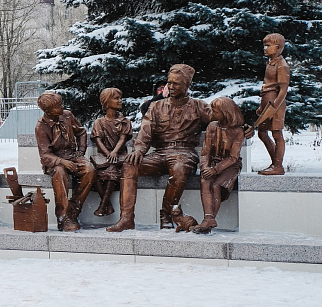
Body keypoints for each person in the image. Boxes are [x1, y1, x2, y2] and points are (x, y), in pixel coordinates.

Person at [107, 64, 212, 232]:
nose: (171, 86)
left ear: (187, 85)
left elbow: (222, 121)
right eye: (169, 82)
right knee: (129, 165)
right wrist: (138, 150)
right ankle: (126, 218)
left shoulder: (199, 106)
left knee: (179, 168)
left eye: (176, 83)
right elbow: (145, 131)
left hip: (185, 153)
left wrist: (242, 127)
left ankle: (167, 213)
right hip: (160, 153)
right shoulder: (156, 106)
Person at [35, 92, 96, 231]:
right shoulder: (41, 127)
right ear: (48, 111)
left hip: (73, 155)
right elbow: (45, 155)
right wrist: (62, 161)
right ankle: (62, 216)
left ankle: (73, 210)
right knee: (60, 173)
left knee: (89, 170)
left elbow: (81, 132)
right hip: (55, 161)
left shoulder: (67, 115)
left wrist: (81, 150)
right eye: (58, 106)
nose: (62, 107)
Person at [192, 97, 246, 234]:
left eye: (215, 111)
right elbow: (205, 152)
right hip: (213, 163)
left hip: (231, 165)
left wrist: (215, 169)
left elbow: (233, 157)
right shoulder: (212, 126)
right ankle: (208, 218)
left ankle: (210, 220)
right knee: (205, 180)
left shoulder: (238, 131)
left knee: (217, 185)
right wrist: (205, 167)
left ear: (226, 113)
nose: (212, 114)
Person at [89, 88, 131, 217]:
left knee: (112, 170)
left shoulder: (125, 121)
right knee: (94, 174)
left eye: (120, 98)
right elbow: (98, 141)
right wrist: (108, 153)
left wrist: (114, 152)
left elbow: (123, 139)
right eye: (116, 98)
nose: (120, 101)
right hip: (104, 155)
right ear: (107, 102)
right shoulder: (99, 122)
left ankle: (103, 206)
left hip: (119, 154)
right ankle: (108, 206)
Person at [254, 33, 289, 175]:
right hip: (266, 100)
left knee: (276, 133)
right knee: (262, 133)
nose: (265, 48)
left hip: (276, 104)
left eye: (268, 46)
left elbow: (283, 90)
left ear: (278, 47)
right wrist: (262, 107)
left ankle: (278, 166)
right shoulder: (269, 63)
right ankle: (276, 163)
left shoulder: (282, 65)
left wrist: (274, 107)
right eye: (264, 46)